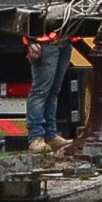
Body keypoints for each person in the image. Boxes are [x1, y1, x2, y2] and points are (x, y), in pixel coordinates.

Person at [25, 28, 70, 156]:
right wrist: (31, 41)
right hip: (46, 44)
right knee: (41, 92)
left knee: (52, 91)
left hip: (62, 41)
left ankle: (50, 135)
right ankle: (36, 137)